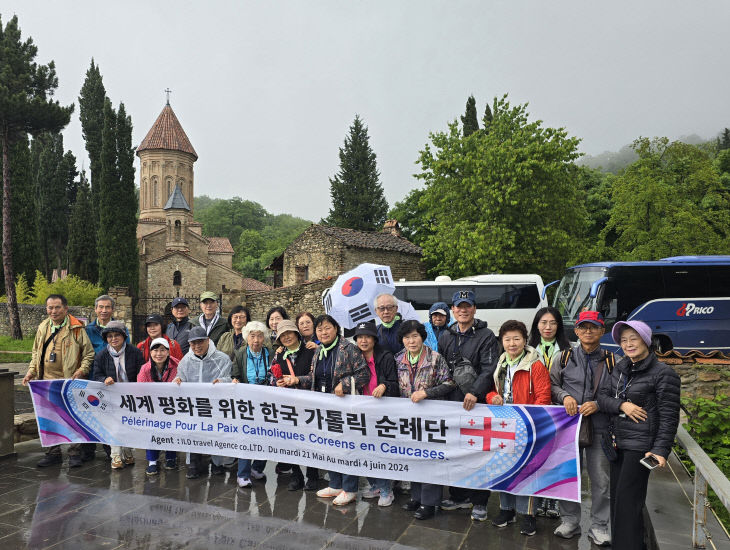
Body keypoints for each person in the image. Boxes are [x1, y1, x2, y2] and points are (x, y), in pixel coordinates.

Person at [598, 320, 680, 550]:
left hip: (641, 447)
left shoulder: (663, 373)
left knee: (628, 503)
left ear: (646, 340)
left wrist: (660, 450)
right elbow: (603, 398)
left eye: (633, 338)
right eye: (623, 340)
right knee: (618, 501)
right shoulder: (621, 368)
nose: (628, 344)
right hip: (617, 444)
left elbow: (669, 416)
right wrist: (622, 405)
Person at [280, 314, 369, 506]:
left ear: (336, 328)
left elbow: (363, 374)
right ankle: (335, 483)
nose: (323, 332)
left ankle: (350, 488)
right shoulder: (319, 350)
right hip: (323, 408)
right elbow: (314, 376)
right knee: (330, 447)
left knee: (346, 449)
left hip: (344, 408)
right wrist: (296, 380)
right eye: (320, 329)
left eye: (327, 328)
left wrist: (345, 384)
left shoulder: (348, 349)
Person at [550, 310, 614, 546]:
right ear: (576, 331)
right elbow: (552, 384)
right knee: (567, 475)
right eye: (583, 327)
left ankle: (599, 526)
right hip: (568, 427)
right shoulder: (564, 357)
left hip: (599, 427)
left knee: (601, 480)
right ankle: (570, 521)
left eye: (593, 327)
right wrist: (564, 396)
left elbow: (619, 394)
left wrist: (598, 404)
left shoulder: (612, 360)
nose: (588, 332)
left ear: (602, 331)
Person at [438, 290, 499, 520]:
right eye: (458, 306)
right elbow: (441, 367)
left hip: (476, 403)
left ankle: (480, 500)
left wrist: (475, 392)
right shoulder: (446, 335)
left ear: (474, 309)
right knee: (455, 451)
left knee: (477, 452)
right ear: (452, 310)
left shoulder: (486, 335)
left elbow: (489, 368)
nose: (463, 310)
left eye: (468, 306)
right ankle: (458, 495)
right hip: (451, 403)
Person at [487, 320, 551, 536]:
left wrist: (531, 423)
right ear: (502, 341)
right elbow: (491, 390)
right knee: (503, 467)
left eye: (516, 338)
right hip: (504, 424)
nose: (512, 343)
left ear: (525, 340)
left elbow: (544, 397)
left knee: (527, 470)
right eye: (507, 339)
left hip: (527, 425)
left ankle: (528, 514)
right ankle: (507, 509)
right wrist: (492, 397)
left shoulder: (535, 365)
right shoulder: (502, 362)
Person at [23, 294, 95, 468]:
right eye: (50, 307)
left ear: (65, 308)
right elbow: (35, 353)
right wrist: (31, 372)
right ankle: (52, 453)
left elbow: (89, 354)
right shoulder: (42, 327)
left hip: (68, 381)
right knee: (49, 418)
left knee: (72, 418)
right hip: (45, 382)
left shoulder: (77, 328)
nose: (53, 311)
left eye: (57, 307)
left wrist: (81, 370)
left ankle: (74, 453)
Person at [397, 320, 455, 520]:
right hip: (408, 419)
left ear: (422, 337)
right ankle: (416, 496)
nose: (411, 341)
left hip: (431, 418)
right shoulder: (399, 360)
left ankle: (430, 502)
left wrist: (427, 393)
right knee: (413, 456)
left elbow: (449, 382)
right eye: (407, 337)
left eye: (415, 336)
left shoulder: (435, 358)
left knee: (430, 458)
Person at [174, 326, 233, 479]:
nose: (197, 346)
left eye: (200, 342)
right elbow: (181, 378)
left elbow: (228, 378)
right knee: (193, 432)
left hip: (215, 405)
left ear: (208, 340)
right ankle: (194, 464)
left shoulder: (222, 359)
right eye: (193, 343)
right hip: (194, 406)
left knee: (216, 433)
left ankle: (217, 464)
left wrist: (222, 381)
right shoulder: (185, 361)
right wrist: (178, 381)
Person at [527, 306, 569, 518]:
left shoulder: (569, 350)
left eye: (552, 323)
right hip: (535, 411)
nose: (548, 327)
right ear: (536, 325)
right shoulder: (527, 349)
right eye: (543, 323)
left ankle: (553, 500)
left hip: (560, 412)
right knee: (538, 457)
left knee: (556, 457)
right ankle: (539, 498)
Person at [354, 321, 399, 507]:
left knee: (379, 452)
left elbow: (395, 384)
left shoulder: (386, 357)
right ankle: (375, 485)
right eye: (360, 337)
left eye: (367, 337)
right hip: (361, 411)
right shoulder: (354, 357)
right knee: (363, 451)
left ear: (374, 339)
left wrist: (384, 385)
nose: (364, 341)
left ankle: (387, 490)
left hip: (382, 412)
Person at [270, 320, 318, 491]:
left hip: (308, 404)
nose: (286, 337)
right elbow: (272, 378)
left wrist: (297, 380)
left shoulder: (312, 351)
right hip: (288, 405)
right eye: (282, 335)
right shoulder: (279, 355)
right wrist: (278, 383)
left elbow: (315, 376)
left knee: (311, 440)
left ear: (296, 333)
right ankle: (296, 475)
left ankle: (312, 475)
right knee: (292, 441)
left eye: (289, 333)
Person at [92, 321, 145, 469]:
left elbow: (142, 372)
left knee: (128, 425)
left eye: (117, 335)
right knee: (114, 426)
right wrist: (104, 379)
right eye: (110, 336)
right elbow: (96, 375)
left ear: (123, 336)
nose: (113, 338)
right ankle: (115, 456)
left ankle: (128, 452)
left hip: (130, 396)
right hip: (111, 397)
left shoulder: (134, 352)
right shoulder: (102, 355)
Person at [231, 320, 271, 488]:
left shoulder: (270, 352)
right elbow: (236, 373)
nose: (256, 340)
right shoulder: (240, 353)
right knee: (246, 437)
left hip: (266, 401)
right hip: (246, 401)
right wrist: (235, 380)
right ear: (247, 337)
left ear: (264, 338)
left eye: (260, 336)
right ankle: (243, 474)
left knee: (266, 435)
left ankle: (257, 467)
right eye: (252, 336)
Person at [138, 337, 180, 475]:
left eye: (163, 350)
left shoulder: (177, 365)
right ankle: (152, 461)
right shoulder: (145, 369)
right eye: (155, 350)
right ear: (150, 353)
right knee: (151, 431)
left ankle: (171, 457)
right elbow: (141, 389)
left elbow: (184, 382)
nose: (159, 354)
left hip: (171, 406)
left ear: (168, 352)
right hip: (152, 406)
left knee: (171, 429)